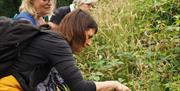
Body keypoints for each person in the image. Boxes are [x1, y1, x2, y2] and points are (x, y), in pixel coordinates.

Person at [0, 9, 130, 91]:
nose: (89, 43)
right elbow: (80, 87)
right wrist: (114, 84)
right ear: (78, 30)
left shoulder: (52, 39)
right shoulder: (58, 44)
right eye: (89, 37)